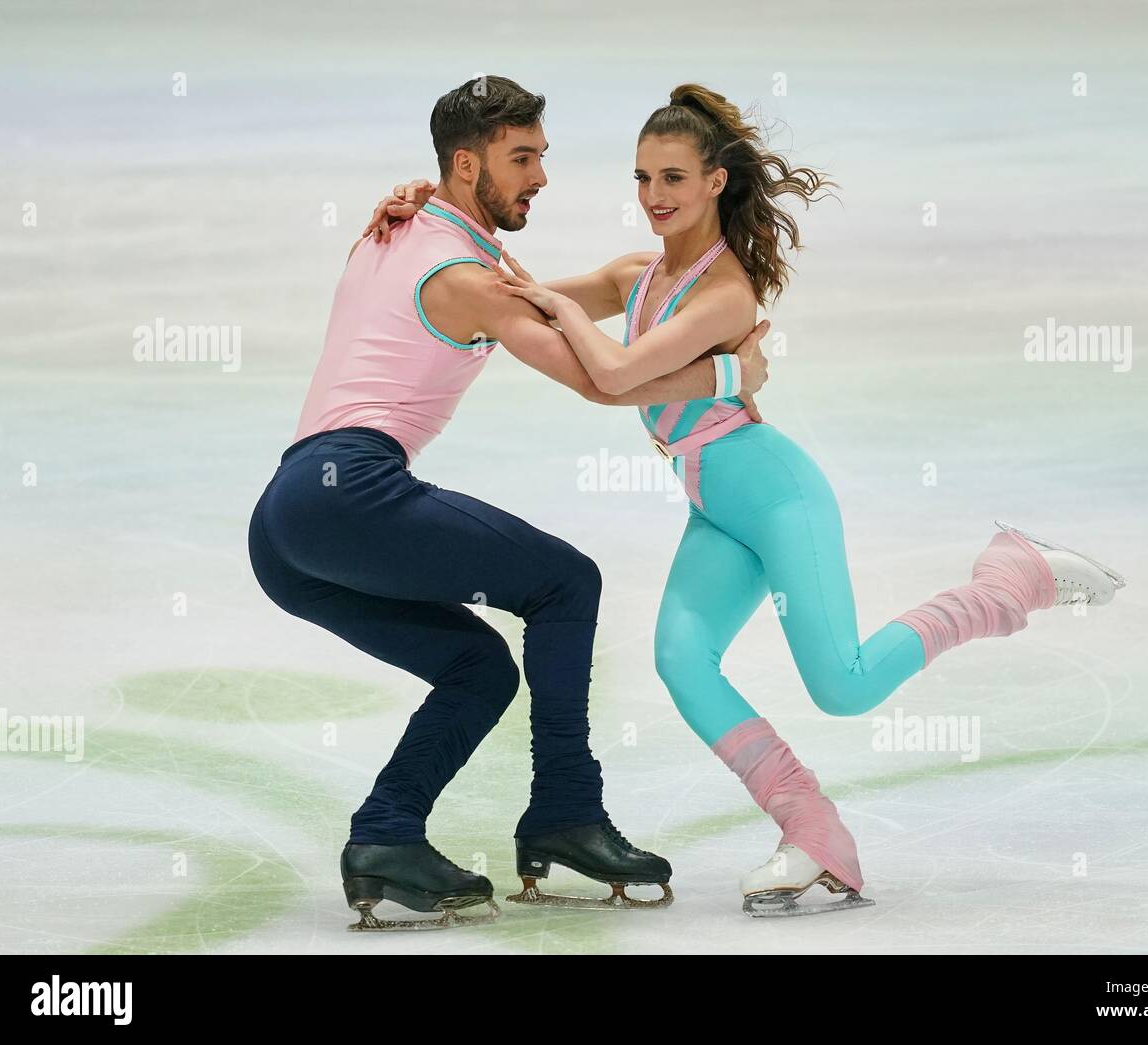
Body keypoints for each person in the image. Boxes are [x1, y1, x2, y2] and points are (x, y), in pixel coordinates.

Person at [371, 82, 1125, 918]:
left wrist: (671, 349)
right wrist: (432, 206)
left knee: (841, 684)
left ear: (715, 183)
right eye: (643, 178)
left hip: (773, 494)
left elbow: (618, 376)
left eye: (674, 180)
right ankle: (813, 828)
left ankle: (1005, 587)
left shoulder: (726, 291)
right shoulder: (639, 273)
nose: (655, 197)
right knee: (683, 660)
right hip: (712, 504)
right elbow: (503, 297)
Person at [247, 76, 770, 930]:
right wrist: (731, 373)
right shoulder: (466, 275)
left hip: (283, 523)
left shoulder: (412, 229)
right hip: (348, 491)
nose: (540, 177)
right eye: (521, 158)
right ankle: (566, 810)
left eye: (541, 157)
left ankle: (386, 834)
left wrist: (673, 276)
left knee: (478, 668)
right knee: (567, 583)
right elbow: (604, 381)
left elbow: (588, 292)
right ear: (465, 164)